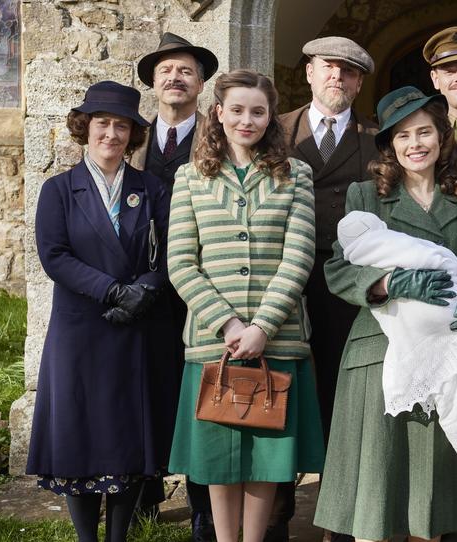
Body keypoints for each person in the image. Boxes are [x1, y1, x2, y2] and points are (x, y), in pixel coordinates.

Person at [314, 86, 457, 542]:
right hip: (381, 353)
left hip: (447, 352)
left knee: (430, 491)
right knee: (379, 489)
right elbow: (338, 268)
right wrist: (386, 283)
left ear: (441, 137)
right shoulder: (367, 195)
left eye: (424, 133)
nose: (415, 144)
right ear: (390, 147)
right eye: (403, 137)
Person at [166, 69, 325, 542]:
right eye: (236, 110)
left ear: (270, 116)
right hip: (214, 344)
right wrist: (230, 324)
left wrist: (261, 326)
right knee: (218, 453)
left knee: (266, 453)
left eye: (257, 111)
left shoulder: (295, 175)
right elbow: (180, 262)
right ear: (218, 113)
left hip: (276, 338)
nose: (247, 120)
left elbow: (298, 257)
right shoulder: (190, 177)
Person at [26, 80, 178, 542]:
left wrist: (146, 289)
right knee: (82, 433)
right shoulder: (59, 190)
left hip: (137, 326)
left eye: (121, 125)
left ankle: (119, 536)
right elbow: (54, 256)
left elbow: (171, 253)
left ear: (133, 134)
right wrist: (113, 290)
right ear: (85, 128)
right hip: (82, 329)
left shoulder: (151, 188)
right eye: (102, 123)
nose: (111, 133)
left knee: (128, 433)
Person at [277, 36, 377, 542]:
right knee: (280, 389)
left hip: (344, 284)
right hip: (280, 280)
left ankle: (342, 513)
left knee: (342, 394)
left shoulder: (375, 139)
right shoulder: (276, 131)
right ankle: (275, 510)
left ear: (360, 83)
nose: (338, 77)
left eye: (349, 71)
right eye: (328, 68)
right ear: (310, 73)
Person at [130, 31, 219, 540]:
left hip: (201, 283)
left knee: (202, 393)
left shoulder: (219, 134)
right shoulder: (133, 138)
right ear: (153, 84)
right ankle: (143, 493)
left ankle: (204, 504)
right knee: (147, 388)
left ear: (201, 82)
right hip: (145, 288)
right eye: (165, 71)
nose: (175, 78)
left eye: (185, 70)